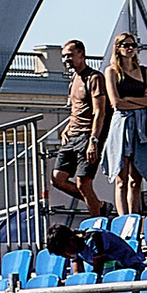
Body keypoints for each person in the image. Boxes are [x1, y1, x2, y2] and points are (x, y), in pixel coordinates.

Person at [106, 27, 147, 212]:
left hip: (140, 125)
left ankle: (134, 214)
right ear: (118, 48)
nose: (130, 48)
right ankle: (123, 217)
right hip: (122, 124)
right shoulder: (112, 72)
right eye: (126, 45)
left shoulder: (144, 71)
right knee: (121, 177)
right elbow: (116, 103)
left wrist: (129, 99)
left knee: (136, 179)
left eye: (133, 45)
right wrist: (139, 101)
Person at [59, 37, 110, 198]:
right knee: (57, 178)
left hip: (87, 135)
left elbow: (99, 111)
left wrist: (94, 141)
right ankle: (99, 206)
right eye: (64, 56)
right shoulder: (73, 78)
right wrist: (67, 128)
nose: (66, 59)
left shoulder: (94, 78)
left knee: (84, 182)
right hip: (72, 135)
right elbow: (76, 108)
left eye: (70, 55)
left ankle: (95, 211)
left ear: (81, 54)